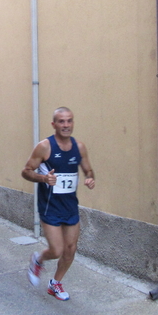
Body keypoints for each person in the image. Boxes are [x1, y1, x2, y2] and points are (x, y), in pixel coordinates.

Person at [21, 107, 95, 300]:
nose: (66, 125)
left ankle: (55, 284)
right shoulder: (45, 147)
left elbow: (89, 170)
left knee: (70, 249)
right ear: (54, 124)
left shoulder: (79, 147)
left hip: (70, 206)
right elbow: (26, 171)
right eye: (61, 121)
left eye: (69, 121)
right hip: (50, 206)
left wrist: (89, 178)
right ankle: (38, 259)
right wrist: (43, 178)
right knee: (57, 250)